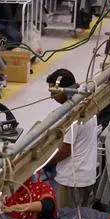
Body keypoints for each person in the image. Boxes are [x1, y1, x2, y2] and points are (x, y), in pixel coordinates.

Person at [47, 69, 98, 209]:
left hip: (72, 180)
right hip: (87, 176)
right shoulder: (86, 102)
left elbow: (66, 149)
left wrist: (44, 162)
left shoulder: (72, 113)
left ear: (63, 90)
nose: (52, 97)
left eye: (53, 92)